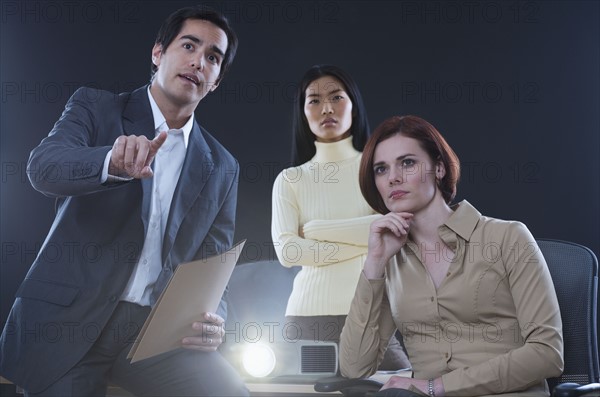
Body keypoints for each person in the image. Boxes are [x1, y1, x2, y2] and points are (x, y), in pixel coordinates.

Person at [0, 6, 248, 397]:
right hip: (69, 327)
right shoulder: (96, 107)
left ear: (216, 81)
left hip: (153, 339)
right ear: (157, 53)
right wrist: (109, 162)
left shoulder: (222, 166)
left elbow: (213, 267)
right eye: (189, 45)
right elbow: (42, 168)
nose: (198, 62)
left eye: (212, 58)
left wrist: (218, 317)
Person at [339, 115, 563, 396]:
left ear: (440, 168)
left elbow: (548, 353)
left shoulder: (508, 237)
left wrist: (437, 387)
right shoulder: (389, 261)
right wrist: (374, 264)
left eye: (407, 162)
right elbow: (354, 367)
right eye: (381, 169)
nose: (393, 177)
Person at [271, 65, 409, 369]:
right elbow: (288, 251)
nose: (327, 109)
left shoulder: (379, 170)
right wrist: (366, 242)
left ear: (354, 107)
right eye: (314, 101)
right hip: (306, 320)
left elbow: (395, 230)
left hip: (370, 314)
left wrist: (318, 230)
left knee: (399, 385)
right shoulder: (290, 179)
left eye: (336, 97)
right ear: (303, 113)